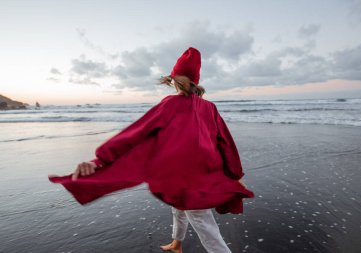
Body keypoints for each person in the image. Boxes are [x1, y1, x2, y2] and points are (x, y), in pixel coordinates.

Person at [49, 47, 254, 253]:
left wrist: (100, 160)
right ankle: (177, 243)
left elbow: (135, 134)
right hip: (190, 174)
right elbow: (226, 143)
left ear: (173, 79)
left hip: (191, 178)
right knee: (178, 208)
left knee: (205, 226)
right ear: (195, 80)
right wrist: (236, 174)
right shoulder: (209, 107)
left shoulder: (170, 104)